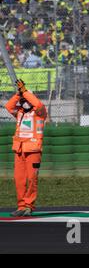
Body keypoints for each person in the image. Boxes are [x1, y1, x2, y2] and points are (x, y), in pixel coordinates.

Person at [5, 79, 47, 217]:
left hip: (34, 150)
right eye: (23, 99)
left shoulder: (40, 112)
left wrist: (25, 92)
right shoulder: (20, 112)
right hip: (19, 149)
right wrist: (18, 94)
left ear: (31, 97)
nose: (24, 101)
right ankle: (21, 206)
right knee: (19, 180)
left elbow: (37, 103)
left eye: (26, 98)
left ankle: (29, 206)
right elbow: (8, 106)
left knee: (32, 179)